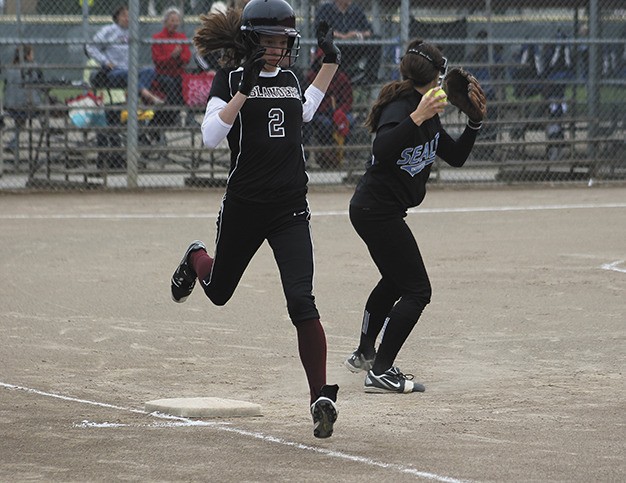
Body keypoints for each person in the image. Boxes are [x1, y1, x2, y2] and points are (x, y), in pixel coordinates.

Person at [169, 0, 341, 438]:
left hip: (289, 208)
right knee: (219, 291)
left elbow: (305, 109)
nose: (278, 49)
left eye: (283, 41)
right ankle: (196, 257)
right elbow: (210, 136)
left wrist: (331, 62)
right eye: (270, 40)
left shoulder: (289, 78)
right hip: (245, 207)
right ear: (250, 40)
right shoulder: (229, 79)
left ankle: (320, 397)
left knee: (301, 301)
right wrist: (242, 91)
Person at [343, 39, 487, 394]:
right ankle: (381, 371)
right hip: (376, 210)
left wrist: (474, 123)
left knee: (395, 282)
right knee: (418, 290)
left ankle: (365, 354)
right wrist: (417, 116)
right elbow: (382, 148)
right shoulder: (403, 107)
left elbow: (455, 157)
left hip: (379, 210)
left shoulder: (427, 109)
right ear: (435, 74)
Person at [86, 4, 163, 105]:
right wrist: (105, 61)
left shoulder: (132, 32)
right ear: (117, 17)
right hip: (113, 72)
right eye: (124, 15)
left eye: (129, 16)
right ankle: (147, 97)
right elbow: (90, 47)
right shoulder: (108, 30)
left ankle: (135, 99)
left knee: (150, 71)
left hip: (129, 69)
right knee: (129, 74)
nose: (127, 18)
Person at [304, 48, 353, 168]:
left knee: (350, 120)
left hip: (339, 112)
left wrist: (340, 111)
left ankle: (343, 155)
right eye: (323, 58)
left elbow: (348, 100)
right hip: (320, 112)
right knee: (325, 124)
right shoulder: (312, 77)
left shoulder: (341, 77)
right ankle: (326, 155)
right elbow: (309, 100)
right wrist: (326, 110)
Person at [314, 0, 378, 84]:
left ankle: (369, 78)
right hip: (335, 46)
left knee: (376, 39)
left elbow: (369, 31)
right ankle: (338, 76)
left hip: (354, 46)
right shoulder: (326, 9)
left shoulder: (356, 10)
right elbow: (322, 29)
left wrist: (356, 34)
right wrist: (344, 36)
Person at [151, 7, 192, 125]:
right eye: (172, 20)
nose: (175, 23)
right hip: (163, 74)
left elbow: (186, 58)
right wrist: (171, 56)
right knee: (171, 86)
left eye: (177, 21)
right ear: (165, 21)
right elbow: (157, 60)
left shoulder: (181, 37)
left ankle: (160, 123)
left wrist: (178, 57)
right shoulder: (158, 38)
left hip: (178, 74)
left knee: (182, 85)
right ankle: (162, 123)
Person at [2, 44, 44, 154]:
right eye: (31, 53)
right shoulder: (33, 67)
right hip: (28, 107)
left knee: (20, 121)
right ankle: (46, 127)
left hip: (10, 107)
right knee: (44, 107)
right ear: (27, 55)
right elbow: (41, 85)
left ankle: (13, 144)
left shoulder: (10, 67)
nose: (33, 56)